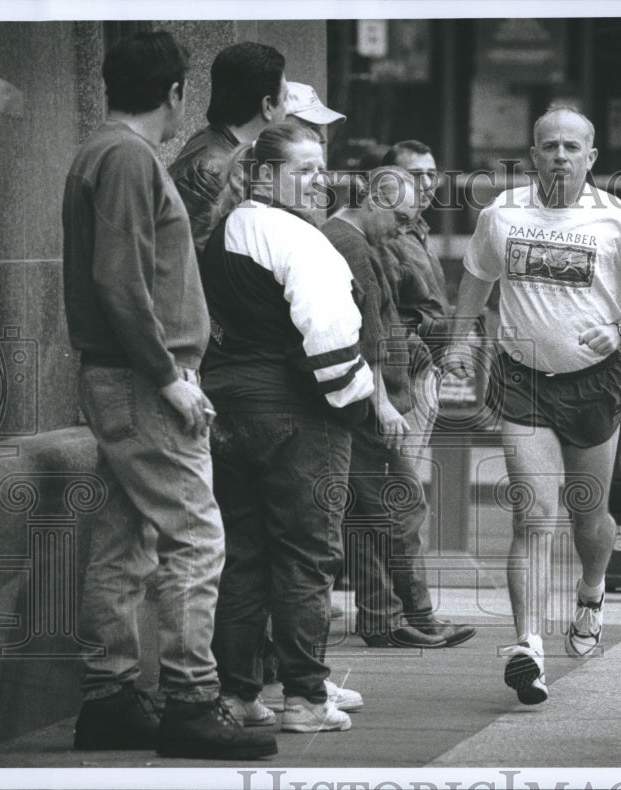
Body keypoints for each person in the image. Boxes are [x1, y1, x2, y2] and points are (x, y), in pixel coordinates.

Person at [62, 31, 276, 759]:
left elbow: (119, 279)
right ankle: (190, 701)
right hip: (144, 379)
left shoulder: (105, 152)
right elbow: (120, 281)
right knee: (196, 535)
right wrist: (170, 378)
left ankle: (111, 698)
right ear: (176, 94)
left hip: (125, 375)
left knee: (126, 542)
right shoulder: (125, 156)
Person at [443, 105, 621, 703]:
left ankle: (592, 590)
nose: (561, 156)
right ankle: (529, 649)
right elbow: (476, 277)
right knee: (534, 514)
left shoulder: (618, 221)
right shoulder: (504, 213)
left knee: (587, 517)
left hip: (594, 382)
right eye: (550, 146)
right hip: (523, 381)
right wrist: (458, 340)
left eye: (573, 146)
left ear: (592, 157)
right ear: (534, 152)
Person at [201, 119, 372, 734]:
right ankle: (303, 698)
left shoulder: (225, 231)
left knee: (242, 556)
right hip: (299, 416)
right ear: (265, 175)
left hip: (229, 412)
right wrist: (356, 400)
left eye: (321, 168)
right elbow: (328, 336)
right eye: (303, 168)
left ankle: (238, 694)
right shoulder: (300, 240)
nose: (318, 179)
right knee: (306, 560)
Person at [323, 167, 477, 649]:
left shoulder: (352, 240)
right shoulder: (349, 245)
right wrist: (383, 402)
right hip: (371, 400)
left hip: (367, 395)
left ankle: (384, 618)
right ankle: (417, 617)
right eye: (401, 217)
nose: (404, 228)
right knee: (402, 502)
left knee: (370, 513)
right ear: (372, 199)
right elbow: (361, 333)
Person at [169, 42, 345, 260]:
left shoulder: (216, 144)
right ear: (268, 105)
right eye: (286, 97)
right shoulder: (215, 168)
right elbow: (204, 265)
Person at [379, 140, 452, 448]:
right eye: (414, 174)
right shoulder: (387, 233)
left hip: (423, 373)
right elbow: (379, 309)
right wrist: (418, 345)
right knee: (398, 482)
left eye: (430, 175)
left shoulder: (418, 227)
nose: (424, 184)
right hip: (400, 379)